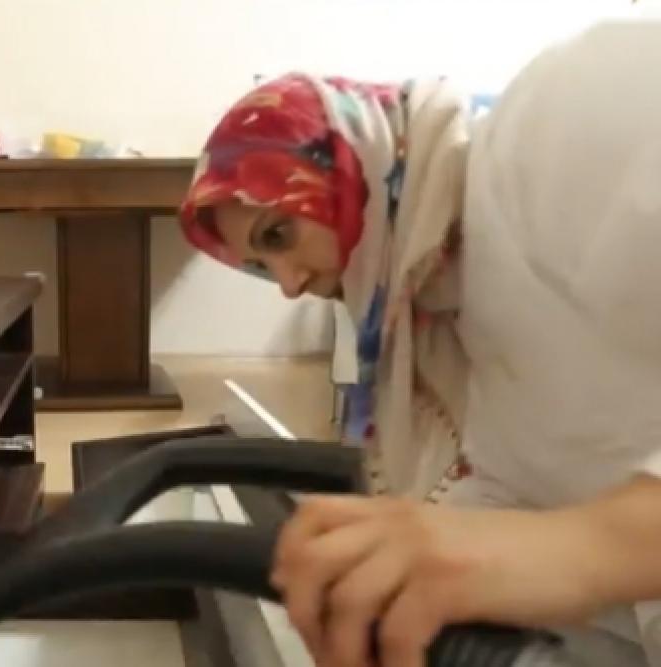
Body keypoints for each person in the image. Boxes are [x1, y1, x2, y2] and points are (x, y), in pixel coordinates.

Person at [177, 13, 661, 667]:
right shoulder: (455, 329)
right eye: (264, 267)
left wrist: (580, 550)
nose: (289, 285)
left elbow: (551, 549)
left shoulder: (556, 119)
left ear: (348, 157)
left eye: (278, 234)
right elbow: (513, 497)